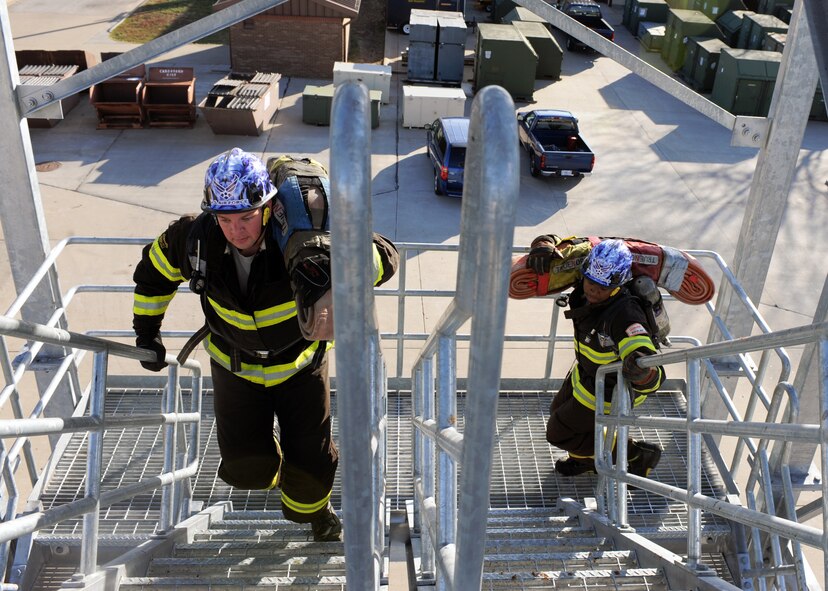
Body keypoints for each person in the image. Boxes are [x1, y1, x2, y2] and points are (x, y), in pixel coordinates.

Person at [132, 148, 399, 541]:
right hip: (234, 369)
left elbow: (386, 255)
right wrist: (147, 333)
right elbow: (154, 274)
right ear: (212, 214)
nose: (237, 230)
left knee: (310, 467)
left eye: (246, 216)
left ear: (269, 206)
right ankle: (274, 463)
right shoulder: (194, 239)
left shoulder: (300, 238)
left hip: (299, 369)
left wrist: (335, 263)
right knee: (247, 467)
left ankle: (315, 514)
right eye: (225, 219)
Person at [526, 237, 664, 478]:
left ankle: (635, 455)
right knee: (558, 412)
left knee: (559, 433)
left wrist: (643, 371)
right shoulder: (586, 286)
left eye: (602, 287)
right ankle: (586, 459)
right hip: (586, 374)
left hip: (608, 390)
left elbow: (651, 365)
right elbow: (572, 244)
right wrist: (544, 244)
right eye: (590, 282)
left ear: (619, 284)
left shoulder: (625, 313)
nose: (593, 290)